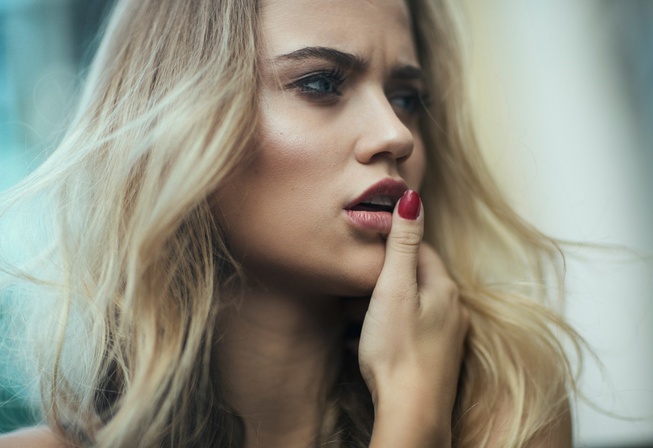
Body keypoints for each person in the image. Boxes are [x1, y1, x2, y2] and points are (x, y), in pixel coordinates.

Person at [0, 0, 580, 446]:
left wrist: (419, 402)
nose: (396, 134)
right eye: (322, 83)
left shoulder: (506, 402)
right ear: (182, 123)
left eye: (406, 96)